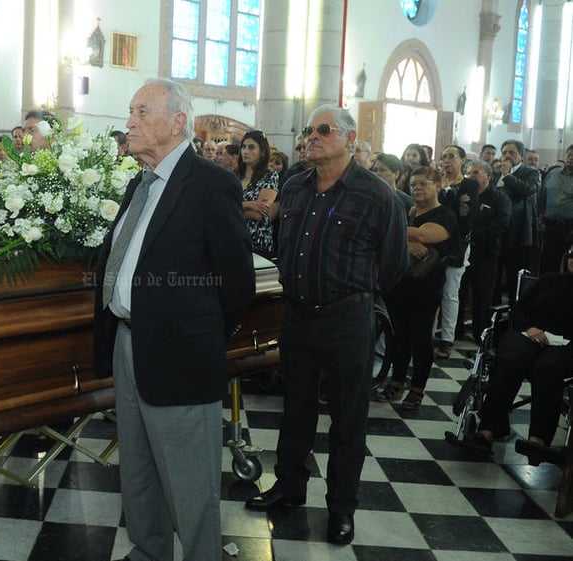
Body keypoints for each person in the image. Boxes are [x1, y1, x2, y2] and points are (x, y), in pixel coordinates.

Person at [93, 78, 254, 561]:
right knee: (138, 467)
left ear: (176, 121)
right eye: (131, 112)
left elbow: (237, 283)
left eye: (142, 112)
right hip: (127, 342)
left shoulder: (210, 183)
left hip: (182, 354)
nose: (129, 122)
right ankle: (149, 550)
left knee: (189, 477)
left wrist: (197, 338)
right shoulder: (138, 181)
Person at [245, 105, 409, 547]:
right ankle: (290, 487)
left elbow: (393, 264)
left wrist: (354, 296)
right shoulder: (296, 186)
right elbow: (284, 244)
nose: (311, 137)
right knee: (295, 408)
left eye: (323, 130)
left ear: (350, 139)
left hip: (347, 319)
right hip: (298, 316)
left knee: (347, 418)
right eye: (309, 130)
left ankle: (341, 507)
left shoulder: (377, 195)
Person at [463, 246, 573, 458]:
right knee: (511, 360)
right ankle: (488, 430)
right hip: (529, 332)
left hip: (565, 342)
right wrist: (529, 328)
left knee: (548, 369)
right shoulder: (548, 280)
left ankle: (538, 440)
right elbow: (519, 308)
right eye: (571, 255)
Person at [376, 166, 458, 409]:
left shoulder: (445, 215)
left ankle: (418, 389)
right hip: (399, 284)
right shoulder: (408, 211)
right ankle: (397, 383)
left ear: (438, 186)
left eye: (423, 183)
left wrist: (396, 235)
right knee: (399, 338)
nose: (417, 188)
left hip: (426, 288)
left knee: (421, 339)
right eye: (413, 184)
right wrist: (406, 245)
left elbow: (423, 236)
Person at [435, 144, 479, 358]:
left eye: (452, 156)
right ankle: (427, 333)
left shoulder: (469, 184)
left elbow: (464, 218)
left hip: (457, 243)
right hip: (433, 241)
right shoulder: (435, 181)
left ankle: (447, 339)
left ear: (463, 160)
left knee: (450, 291)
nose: (447, 160)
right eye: (443, 156)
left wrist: (449, 202)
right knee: (429, 289)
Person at [464, 159, 511, 340]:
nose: (471, 176)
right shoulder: (466, 195)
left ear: (488, 176)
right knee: (460, 293)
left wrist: (473, 236)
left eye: (475, 172)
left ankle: (480, 334)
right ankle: (456, 331)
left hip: (486, 253)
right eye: (469, 173)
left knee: (482, 295)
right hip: (464, 253)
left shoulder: (500, 198)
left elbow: (500, 225)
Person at [498, 139, 540, 304]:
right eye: (504, 153)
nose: (507, 156)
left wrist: (507, 175)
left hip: (519, 233)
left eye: (512, 152)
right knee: (494, 279)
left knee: (516, 280)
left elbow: (526, 190)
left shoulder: (530, 172)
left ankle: (516, 320)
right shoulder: (496, 173)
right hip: (499, 233)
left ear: (521, 156)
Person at [238, 129, 279, 257]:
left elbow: (257, 214)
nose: (245, 151)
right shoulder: (233, 175)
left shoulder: (269, 176)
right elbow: (219, 207)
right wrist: (249, 204)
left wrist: (231, 210)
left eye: (251, 147)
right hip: (232, 238)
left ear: (262, 152)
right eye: (243, 147)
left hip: (257, 241)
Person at [538, 144, 573, 273]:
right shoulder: (553, 173)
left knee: (568, 265)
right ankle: (546, 292)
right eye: (569, 155)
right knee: (547, 262)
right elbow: (542, 196)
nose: (571, 158)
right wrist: (540, 217)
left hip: (570, 227)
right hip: (551, 225)